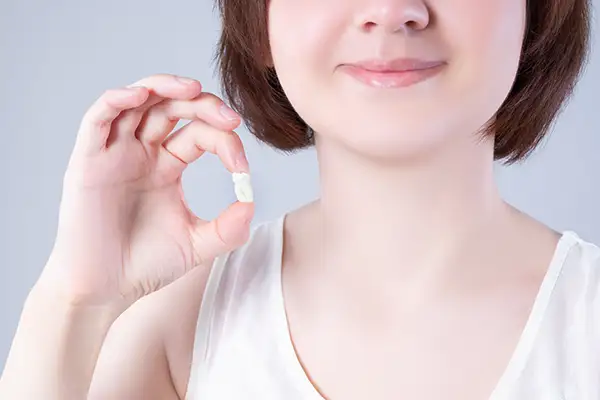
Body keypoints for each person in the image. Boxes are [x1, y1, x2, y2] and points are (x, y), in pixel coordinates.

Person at [0, 0, 596, 398]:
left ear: (535, 17)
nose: (392, 11)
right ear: (260, 23)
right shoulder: (173, 331)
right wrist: (77, 301)